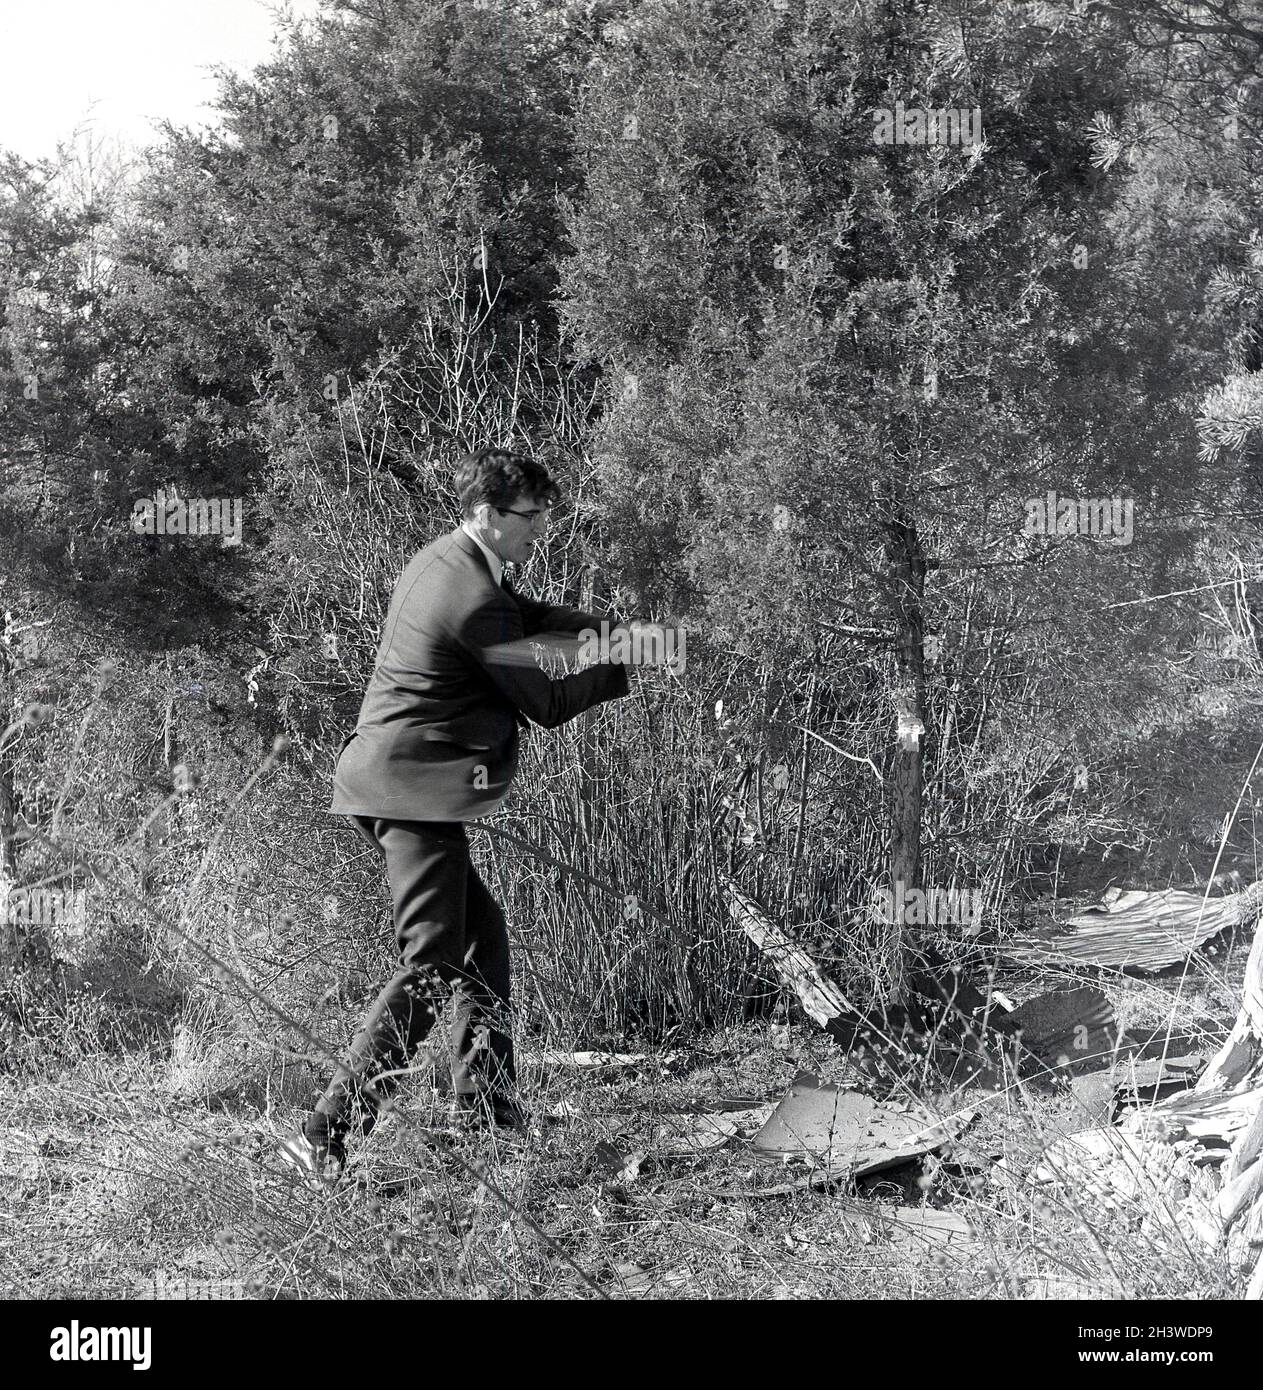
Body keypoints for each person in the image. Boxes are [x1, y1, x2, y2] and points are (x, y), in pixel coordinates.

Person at [280, 446, 637, 1184]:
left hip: (395, 780)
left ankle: (489, 1112)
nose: (541, 528)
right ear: (486, 513)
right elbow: (543, 703)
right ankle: (324, 1131)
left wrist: (600, 625)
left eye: (543, 513)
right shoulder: (470, 597)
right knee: (435, 963)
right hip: (408, 789)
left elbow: (524, 615)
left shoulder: (447, 561)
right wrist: (620, 663)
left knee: (482, 944)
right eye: (529, 515)